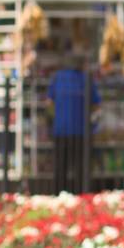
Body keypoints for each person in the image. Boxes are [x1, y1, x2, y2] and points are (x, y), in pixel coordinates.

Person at [46, 63, 99, 194]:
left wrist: (55, 117)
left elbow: (49, 103)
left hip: (61, 129)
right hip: (81, 130)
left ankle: (59, 194)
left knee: (60, 166)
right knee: (80, 167)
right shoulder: (86, 79)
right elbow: (96, 104)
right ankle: (81, 194)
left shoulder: (58, 78)